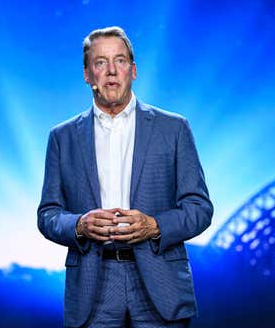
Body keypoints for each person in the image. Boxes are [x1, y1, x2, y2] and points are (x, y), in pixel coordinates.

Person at [37, 26, 213, 328]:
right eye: (100, 63)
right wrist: (80, 224)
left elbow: (199, 209)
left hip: (160, 282)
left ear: (133, 70)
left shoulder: (174, 129)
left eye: (119, 61)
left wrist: (154, 226)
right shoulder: (62, 137)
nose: (111, 72)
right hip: (93, 284)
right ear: (87, 75)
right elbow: (48, 215)